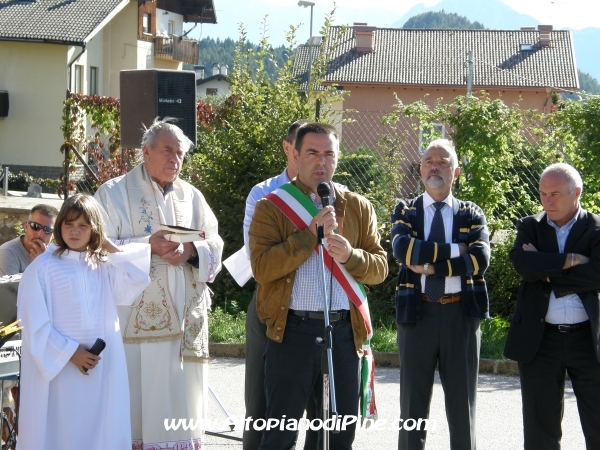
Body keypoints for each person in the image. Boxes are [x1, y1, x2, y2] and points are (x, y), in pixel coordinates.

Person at [249, 122, 388, 449]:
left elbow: (380, 268)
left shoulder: (357, 206)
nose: (321, 161)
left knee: (337, 438)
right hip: (291, 332)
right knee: (279, 435)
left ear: (338, 158)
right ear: (295, 155)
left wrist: (352, 257)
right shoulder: (271, 206)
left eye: (328, 154)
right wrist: (309, 235)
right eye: (312, 153)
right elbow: (262, 268)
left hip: (342, 333)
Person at [95, 118, 224, 449]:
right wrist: (146, 245)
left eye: (180, 153)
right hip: (135, 317)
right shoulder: (112, 193)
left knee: (183, 388)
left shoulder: (192, 196)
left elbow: (215, 241)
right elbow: (96, 247)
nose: (175, 159)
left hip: (186, 314)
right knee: (141, 391)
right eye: (168, 150)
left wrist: (192, 250)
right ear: (146, 151)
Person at [16, 194, 151, 450]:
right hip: (59, 374)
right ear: (59, 227)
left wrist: (105, 244)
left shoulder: (102, 265)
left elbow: (136, 276)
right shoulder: (42, 268)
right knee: (61, 434)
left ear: (95, 229)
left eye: (83, 225)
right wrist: (71, 352)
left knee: (101, 431)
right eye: (68, 224)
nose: (75, 231)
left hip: (101, 371)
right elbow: (33, 324)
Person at [390, 139, 490, 450]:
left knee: (463, 409)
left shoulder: (471, 214)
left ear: (456, 171)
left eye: (443, 161)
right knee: (412, 411)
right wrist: (454, 251)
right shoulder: (405, 210)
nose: (435, 166)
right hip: (417, 315)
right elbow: (403, 249)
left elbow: (479, 261)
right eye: (429, 160)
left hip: (461, 316)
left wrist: (431, 269)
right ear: (420, 170)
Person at [504, 163, 600, 449]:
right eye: (543, 193)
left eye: (556, 193)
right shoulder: (530, 226)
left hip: (588, 340)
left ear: (577, 193)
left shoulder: (596, 228)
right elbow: (522, 264)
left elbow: (598, 273)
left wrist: (545, 268)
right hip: (540, 340)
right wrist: (569, 260)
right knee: (540, 430)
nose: (548, 200)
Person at [242, 119, 323, 450]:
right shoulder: (264, 194)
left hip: (318, 313)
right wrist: (306, 239)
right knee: (263, 407)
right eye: (305, 149)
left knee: (322, 411)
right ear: (290, 149)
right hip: (271, 306)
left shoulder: (331, 195)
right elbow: (257, 259)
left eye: (323, 152)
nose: (313, 158)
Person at [0, 204, 58, 276]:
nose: (40, 234)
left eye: (48, 229)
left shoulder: (58, 255)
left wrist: (44, 263)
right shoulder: (8, 252)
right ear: (26, 226)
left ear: (54, 234)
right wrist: (39, 265)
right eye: (35, 226)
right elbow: (10, 287)